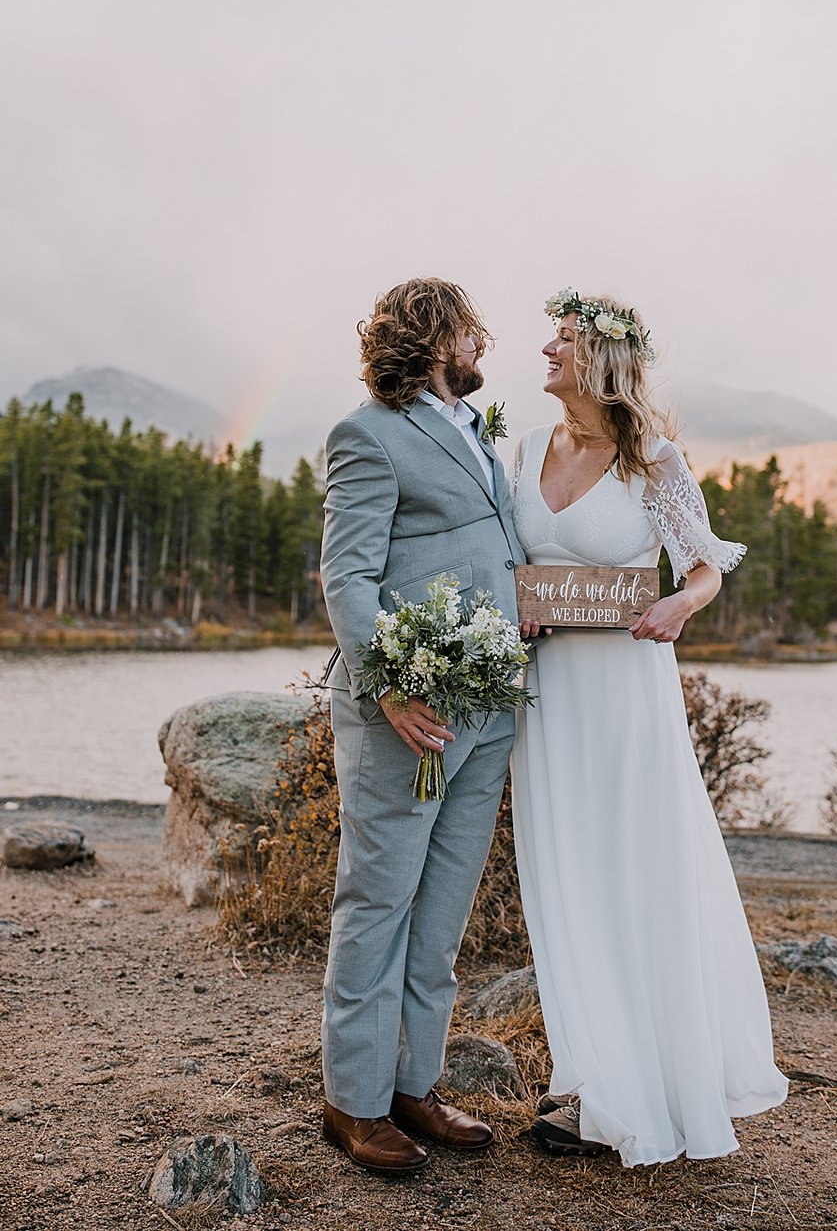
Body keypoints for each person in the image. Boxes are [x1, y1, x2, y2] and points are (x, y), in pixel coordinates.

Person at [509, 288, 789, 1166]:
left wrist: (679, 603)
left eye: (561, 341)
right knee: (563, 875)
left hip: (627, 695)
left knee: (633, 868)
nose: (545, 351)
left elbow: (707, 569)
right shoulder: (520, 448)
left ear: (601, 359)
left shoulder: (655, 463)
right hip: (546, 702)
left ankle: (647, 1081)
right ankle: (587, 1071)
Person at [318, 276, 525, 1175]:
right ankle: (353, 1103)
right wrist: (395, 686)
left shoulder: (477, 437)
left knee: (440, 914)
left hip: (485, 710)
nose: (485, 349)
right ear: (441, 338)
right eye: (474, 334)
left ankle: (415, 1085)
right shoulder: (367, 436)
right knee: (378, 903)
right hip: (405, 713)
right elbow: (347, 580)